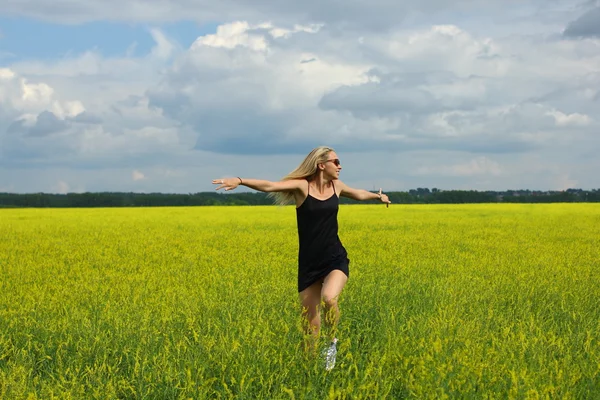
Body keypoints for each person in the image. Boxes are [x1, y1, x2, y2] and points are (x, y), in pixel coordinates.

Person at [212, 146, 391, 370]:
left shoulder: (337, 186)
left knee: (329, 298)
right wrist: (239, 180)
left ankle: (331, 342)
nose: (340, 166)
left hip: (335, 258)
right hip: (308, 263)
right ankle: (309, 373)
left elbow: (358, 194)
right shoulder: (302, 187)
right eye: (335, 161)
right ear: (321, 165)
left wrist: (377, 196)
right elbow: (270, 186)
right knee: (310, 328)